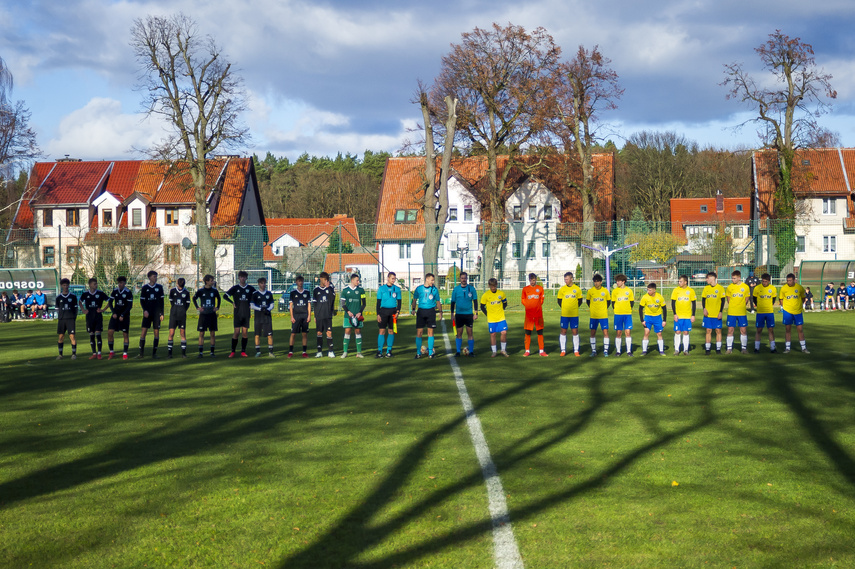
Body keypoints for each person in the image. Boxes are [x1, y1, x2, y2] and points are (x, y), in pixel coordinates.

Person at [223, 270, 256, 358]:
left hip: (246, 313)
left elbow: (256, 296)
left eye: (244, 277)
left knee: (245, 332)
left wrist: (252, 303)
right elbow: (225, 296)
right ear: (239, 278)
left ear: (246, 278)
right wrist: (232, 302)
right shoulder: (235, 288)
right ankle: (233, 351)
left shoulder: (250, 288)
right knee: (236, 332)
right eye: (241, 277)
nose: (243, 279)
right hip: (237, 313)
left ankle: (243, 351)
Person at [412, 273, 443, 358]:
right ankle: (418, 353)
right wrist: (413, 309)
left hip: (431, 312)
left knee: (430, 332)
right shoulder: (419, 289)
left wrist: (440, 312)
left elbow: (438, 301)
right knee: (419, 332)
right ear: (427, 279)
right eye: (432, 280)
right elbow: (414, 300)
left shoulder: (434, 290)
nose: (433, 282)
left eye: (433, 280)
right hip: (421, 312)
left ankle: (430, 353)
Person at [80, 277, 109, 359]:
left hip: (98, 316)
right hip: (89, 317)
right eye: (94, 284)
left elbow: (109, 301)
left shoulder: (100, 293)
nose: (96, 285)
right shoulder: (85, 294)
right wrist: (83, 310)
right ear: (90, 285)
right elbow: (80, 302)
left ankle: (99, 353)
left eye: (96, 284)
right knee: (91, 335)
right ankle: (94, 353)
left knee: (98, 335)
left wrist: (103, 310)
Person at [137, 270, 165, 358]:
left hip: (156, 314)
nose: (155, 278)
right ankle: (141, 353)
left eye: (156, 276)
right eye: (154, 276)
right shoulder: (145, 288)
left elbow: (162, 301)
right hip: (147, 313)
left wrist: (162, 313)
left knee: (156, 332)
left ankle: (154, 353)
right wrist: (145, 310)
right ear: (149, 277)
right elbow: (142, 300)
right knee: (143, 332)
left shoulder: (159, 287)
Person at [450, 271, 478, 357]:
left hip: (469, 314)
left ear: (467, 279)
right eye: (462, 278)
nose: (463, 280)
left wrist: (476, 313)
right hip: (459, 314)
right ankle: (458, 352)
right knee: (459, 333)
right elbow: (453, 302)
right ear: (460, 279)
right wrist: (452, 313)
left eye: (465, 278)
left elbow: (475, 301)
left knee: (470, 333)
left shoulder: (471, 289)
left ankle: (471, 352)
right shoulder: (456, 289)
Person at [779, 273, 809, 354]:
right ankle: (787, 348)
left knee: (800, 329)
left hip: (798, 312)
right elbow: (781, 299)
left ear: (794, 280)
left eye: (790, 280)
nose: (788, 282)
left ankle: (803, 348)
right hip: (787, 312)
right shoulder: (783, 288)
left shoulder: (799, 288)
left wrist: (799, 306)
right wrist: (784, 307)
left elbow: (803, 298)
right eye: (787, 280)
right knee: (788, 330)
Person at [480, 277, 509, 357]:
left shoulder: (501, 294)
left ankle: (503, 350)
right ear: (489, 286)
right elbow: (482, 307)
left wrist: (501, 309)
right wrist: (487, 314)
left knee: (504, 332)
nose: (493, 288)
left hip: (501, 318)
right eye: (491, 286)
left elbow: (505, 303)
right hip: (491, 319)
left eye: (494, 286)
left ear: (496, 285)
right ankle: (494, 351)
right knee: (493, 334)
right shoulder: (486, 295)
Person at [556, 271, 583, 357]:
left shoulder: (577, 289)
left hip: (574, 315)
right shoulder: (562, 289)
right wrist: (565, 308)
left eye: (567, 279)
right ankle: (563, 350)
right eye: (565, 279)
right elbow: (559, 301)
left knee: (575, 331)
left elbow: (580, 301)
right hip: (564, 315)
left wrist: (573, 308)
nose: (565, 281)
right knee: (563, 331)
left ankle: (576, 350)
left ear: (571, 279)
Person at [340, 273, 367, 358]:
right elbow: (343, 304)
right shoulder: (345, 290)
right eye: (357, 280)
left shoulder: (361, 290)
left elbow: (364, 303)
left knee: (358, 332)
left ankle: (359, 353)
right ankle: (345, 352)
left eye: (359, 280)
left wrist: (360, 312)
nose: (358, 282)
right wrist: (348, 312)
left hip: (358, 316)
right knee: (347, 332)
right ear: (352, 280)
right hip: (348, 316)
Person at [193, 274, 220, 357]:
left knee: (212, 333)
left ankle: (212, 352)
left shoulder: (214, 291)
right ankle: (201, 352)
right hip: (203, 315)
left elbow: (219, 298)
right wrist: (198, 307)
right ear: (207, 281)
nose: (213, 282)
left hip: (212, 314)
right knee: (201, 333)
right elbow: (194, 298)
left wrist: (217, 307)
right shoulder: (201, 291)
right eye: (211, 280)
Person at [376, 272, 402, 358]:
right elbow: (378, 302)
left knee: (391, 331)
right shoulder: (381, 289)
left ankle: (389, 351)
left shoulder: (397, 289)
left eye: (394, 279)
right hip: (383, 311)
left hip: (393, 313)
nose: (393, 280)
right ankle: (379, 351)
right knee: (382, 331)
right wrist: (378, 314)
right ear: (388, 278)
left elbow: (399, 302)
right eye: (392, 278)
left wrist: (397, 312)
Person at [107, 276, 133, 360]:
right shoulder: (115, 291)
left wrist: (123, 315)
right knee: (110, 332)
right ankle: (111, 352)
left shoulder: (128, 292)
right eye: (119, 283)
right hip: (115, 315)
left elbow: (129, 306)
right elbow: (110, 302)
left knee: (125, 334)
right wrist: (113, 312)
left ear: (124, 283)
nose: (120, 284)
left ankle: (125, 353)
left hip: (125, 316)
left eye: (121, 283)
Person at [521, 273, 547, 357]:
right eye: (531, 280)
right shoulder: (525, 289)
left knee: (540, 332)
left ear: (536, 280)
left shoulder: (540, 289)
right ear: (529, 280)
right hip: (529, 315)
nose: (532, 282)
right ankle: (527, 351)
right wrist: (528, 306)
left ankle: (541, 351)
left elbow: (541, 300)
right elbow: (523, 299)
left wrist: (537, 306)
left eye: (534, 280)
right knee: (528, 332)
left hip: (538, 314)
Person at [725, 270, 750, 354]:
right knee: (730, 330)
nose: (733, 280)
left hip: (741, 313)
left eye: (734, 278)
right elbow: (728, 299)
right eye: (732, 278)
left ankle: (744, 348)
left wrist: (741, 306)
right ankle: (729, 348)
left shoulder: (745, 287)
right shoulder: (730, 287)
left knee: (743, 330)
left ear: (739, 278)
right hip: (731, 312)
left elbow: (746, 299)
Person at [670, 275, 696, 356]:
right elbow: (673, 303)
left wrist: (693, 315)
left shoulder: (691, 291)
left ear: (685, 282)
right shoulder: (676, 290)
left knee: (686, 332)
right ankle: (676, 350)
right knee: (677, 331)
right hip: (678, 316)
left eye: (681, 281)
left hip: (687, 316)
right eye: (679, 281)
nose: (679, 283)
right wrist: (675, 314)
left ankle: (685, 350)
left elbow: (694, 303)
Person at [639, 283, 667, 356]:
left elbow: (664, 308)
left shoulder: (659, 297)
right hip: (648, 317)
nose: (648, 291)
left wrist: (664, 320)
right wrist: (642, 320)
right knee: (646, 333)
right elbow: (640, 308)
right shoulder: (645, 297)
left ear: (654, 290)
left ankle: (661, 351)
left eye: (650, 290)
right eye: (648, 290)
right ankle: (644, 351)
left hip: (657, 317)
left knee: (659, 334)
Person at [312, 272, 336, 358]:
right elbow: (315, 304)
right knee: (319, 332)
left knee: (329, 332)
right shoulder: (316, 290)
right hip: (319, 315)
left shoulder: (330, 288)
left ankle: (330, 351)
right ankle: (319, 352)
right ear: (321, 279)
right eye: (324, 279)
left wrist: (328, 288)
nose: (326, 281)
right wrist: (315, 316)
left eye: (327, 280)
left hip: (327, 314)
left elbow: (332, 298)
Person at [586, 274, 611, 357]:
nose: (596, 283)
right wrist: (593, 309)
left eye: (597, 281)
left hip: (603, 316)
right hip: (593, 316)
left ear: (601, 282)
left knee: (605, 332)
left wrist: (603, 309)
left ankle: (606, 351)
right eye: (594, 282)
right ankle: (593, 351)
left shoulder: (605, 291)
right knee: (592, 333)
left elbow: (608, 302)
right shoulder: (590, 291)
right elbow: (588, 301)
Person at [701, 272, 726, 355]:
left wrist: (720, 312)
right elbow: (703, 299)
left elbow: (723, 301)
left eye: (707, 278)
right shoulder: (706, 288)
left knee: (718, 330)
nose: (706, 280)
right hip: (708, 315)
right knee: (708, 330)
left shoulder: (720, 288)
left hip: (716, 314)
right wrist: (704, 309)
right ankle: (707, 349)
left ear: (713, 278)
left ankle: (718, 349)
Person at [753, 273, 778, 353]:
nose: (764, 283)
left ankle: (772, 348)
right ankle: (756, 348)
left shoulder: (773, 288)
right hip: (760, 313)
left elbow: (773, 299)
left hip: (769, 312)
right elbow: (754, 299)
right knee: (759, 329)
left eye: (766, 281)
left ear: (769, 281)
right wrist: (759, 306)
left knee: (770, 329)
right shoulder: (757, 288)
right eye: (763, 281)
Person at [167, 278, 192, 358]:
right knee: (171, 333)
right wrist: (176, 309)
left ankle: (183, 354)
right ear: (177, 283)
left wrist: (183, 310)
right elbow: (171, 301)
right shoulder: (173, 291)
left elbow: (187, 304)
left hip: (182, 316)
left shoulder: (186, 292)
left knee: (182, 333)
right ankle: (170, 354)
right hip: (174, 315)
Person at [251, 277, 276, 357]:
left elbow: (272, 304)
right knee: (257, 334)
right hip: (258, 317)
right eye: (261, 283)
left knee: (270, 335)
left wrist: (268, 309)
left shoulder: (269, 293)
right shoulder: (255, 294)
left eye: (264, 283)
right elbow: (252, 305)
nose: (263, 285)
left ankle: (271, 352)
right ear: (258, 284)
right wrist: (260, 309)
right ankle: (258, 352)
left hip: (267, 317)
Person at [288, 275, 312, 358]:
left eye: (301, 281)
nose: (300, 283)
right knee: (293, 333)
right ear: (296, 282)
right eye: (299, 281)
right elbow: (291, 305)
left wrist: (309, 316)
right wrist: (292, 316)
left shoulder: (307, 292)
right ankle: (290, 352)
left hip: (305, 315)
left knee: (304, 334)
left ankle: (304, 352)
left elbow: (309, 305)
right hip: (296, 315)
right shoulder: (293, 293)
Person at [611, 274, 635, 356]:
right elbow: (613, 303)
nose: (617, 283)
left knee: (628, 332)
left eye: (618, 281)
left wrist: (628, 309)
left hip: (627, 314)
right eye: (616, 281)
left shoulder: (629, 291)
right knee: (619, 333)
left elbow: (632, 302)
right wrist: (617, 310)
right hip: (618, 314)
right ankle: (618, 351)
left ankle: (629, 351)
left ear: (623, 281)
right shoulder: (615, 291)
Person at [55, 278, 78, 360]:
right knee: (61, 336)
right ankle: (60, 355)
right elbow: (57, 309)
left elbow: (76, 308)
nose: (65, 287)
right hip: (62, 319)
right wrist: (60, 316)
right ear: (61, 286)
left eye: (67, 285)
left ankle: (74, 354)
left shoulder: (73, 296)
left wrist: (73, 317)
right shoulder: (58, 297)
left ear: (69, 286)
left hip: (70, 319)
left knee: (72, 336)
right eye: (64, 285)